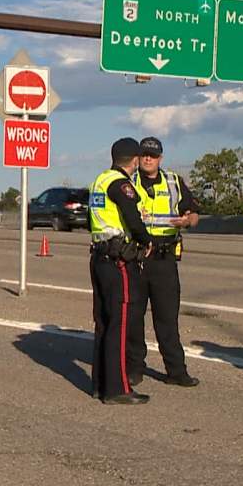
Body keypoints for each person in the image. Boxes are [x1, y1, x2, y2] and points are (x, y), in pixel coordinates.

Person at [88, 137, 153, 404]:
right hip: (118, 261)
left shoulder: (99, 180)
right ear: (134, 159)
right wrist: (145, 239)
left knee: (103, 322)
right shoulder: (121, 184)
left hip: (99, 258)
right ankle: (118, 389)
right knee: (121, 323)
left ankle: (100, 384)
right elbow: (132, 217)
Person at [133, 136, 201, 388]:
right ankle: (135, 368)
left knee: (167, 319)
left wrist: (188, 220)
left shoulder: (173, 181)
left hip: (164, 258)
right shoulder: (129, 181)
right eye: (144, 154)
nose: (148, 159)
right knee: (133, 317)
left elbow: (194, 213)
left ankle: (176, 371)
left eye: (153, 155)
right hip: (137, 257)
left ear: (160, 158)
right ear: (138, 157)